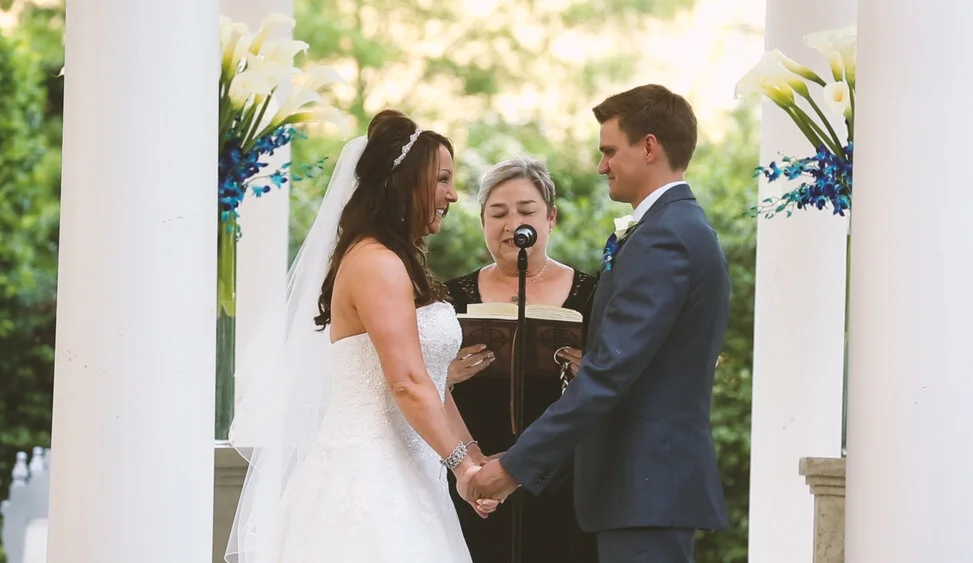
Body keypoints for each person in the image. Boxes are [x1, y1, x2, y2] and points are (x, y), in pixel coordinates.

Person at [463, 85, 732, 563]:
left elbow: (607, 374)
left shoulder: (665, 238)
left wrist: (513, 468)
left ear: (649, 147)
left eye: (609, 150)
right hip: (643, 491)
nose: (601, 165)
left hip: (644, 489)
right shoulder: (671, 228)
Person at [225, 109, 497, 563]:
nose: (452, 194)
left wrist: (472, 455)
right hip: (366, 479)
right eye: (441, 179)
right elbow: (407, 382)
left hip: (411, 471)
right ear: (404, 182)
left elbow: (428, 381)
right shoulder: (376, 263)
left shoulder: (399, 262)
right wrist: (462, 466)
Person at [444, 157, 599, 563]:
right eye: (498, 213)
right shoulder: (449, 297)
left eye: (526, 211)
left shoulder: (595, 294)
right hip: (474, 474)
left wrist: (592, 373)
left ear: (550, 218)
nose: (512, 224)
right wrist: (448, 375)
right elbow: (414, 383)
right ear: (482, 223)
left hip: (562, 477)